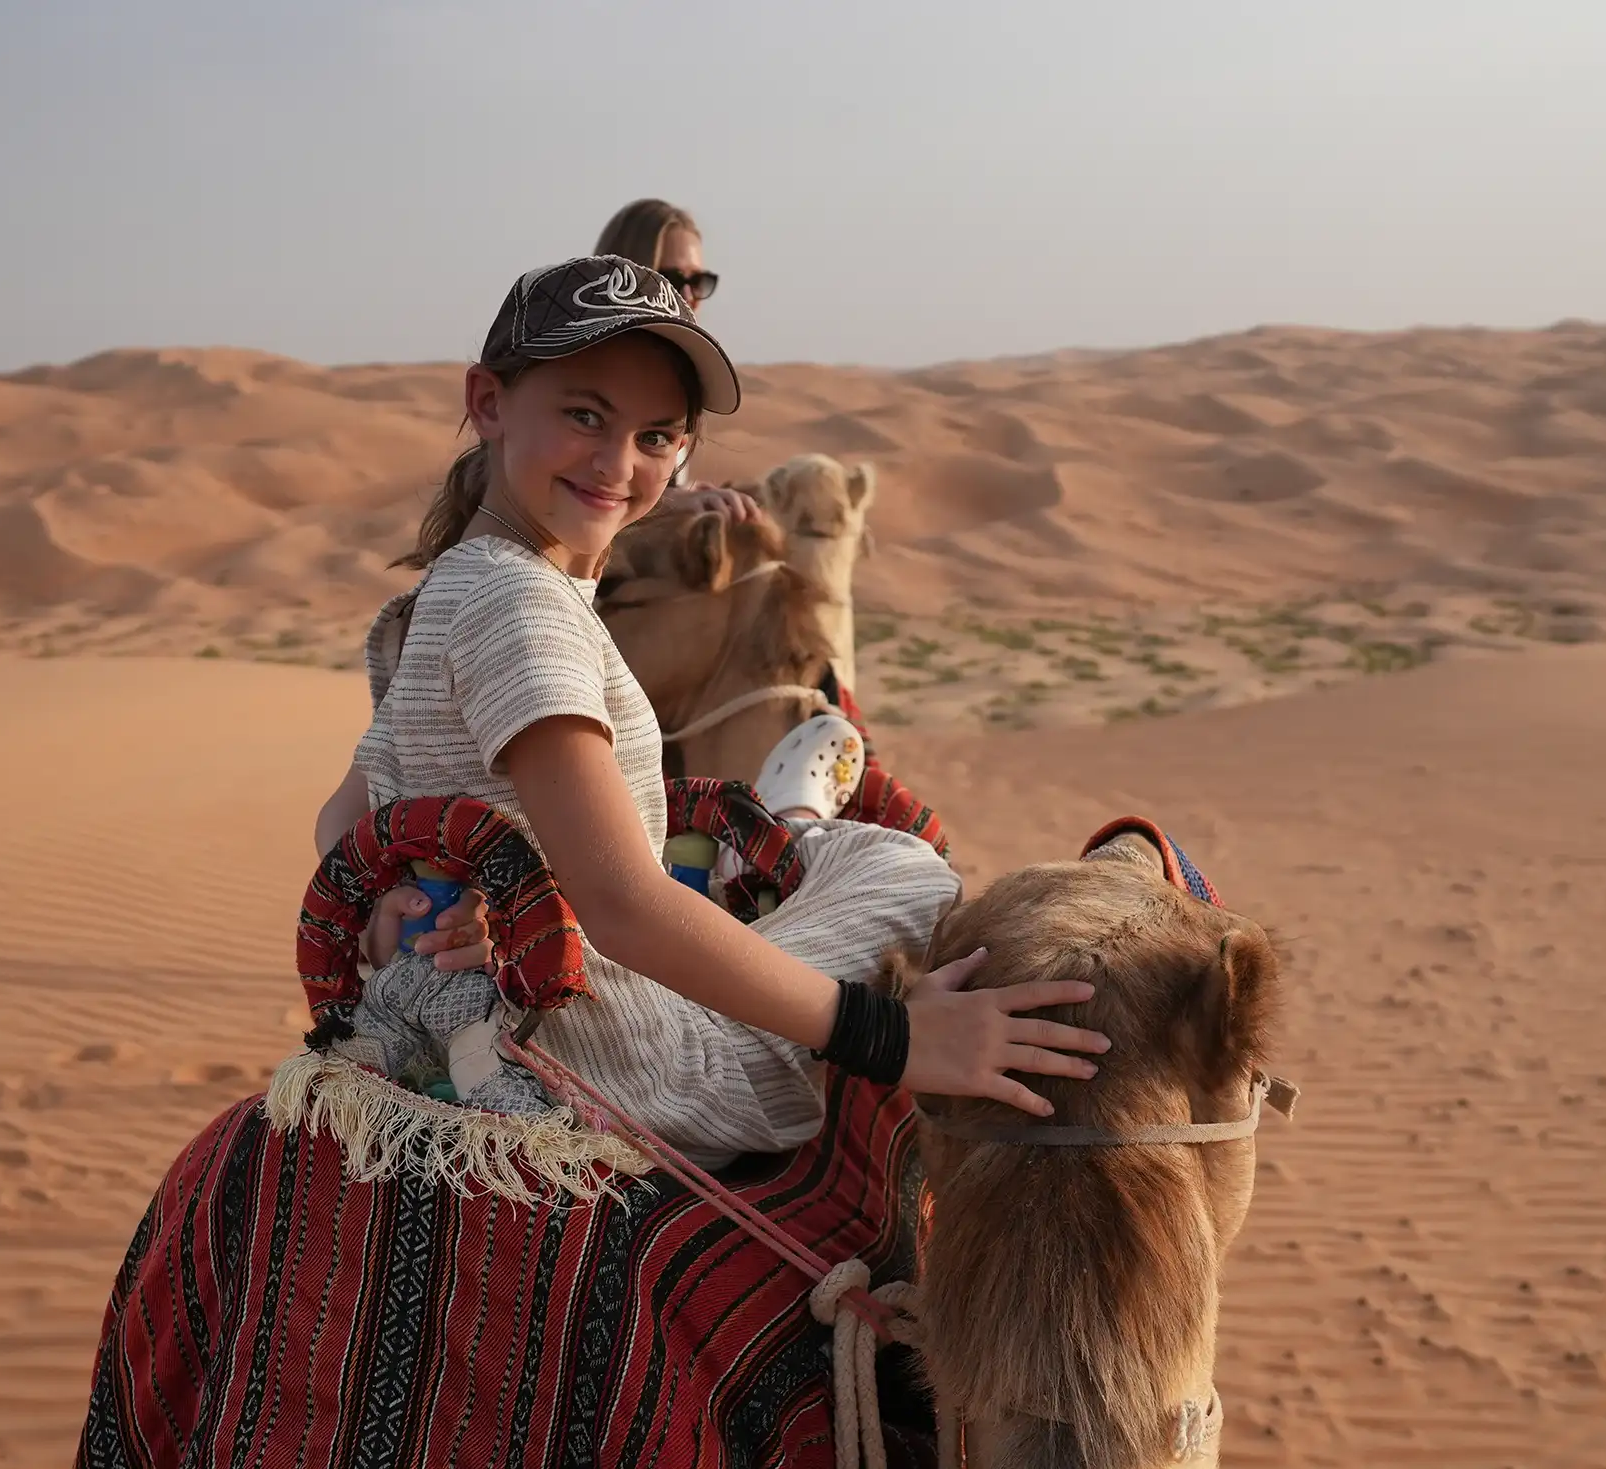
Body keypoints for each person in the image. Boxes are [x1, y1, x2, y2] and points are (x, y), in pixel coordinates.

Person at [310, 255, 1108, 1164]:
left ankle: (788, 824)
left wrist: (392, 911)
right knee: (904, 870)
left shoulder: (455, 584)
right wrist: (895, 1038)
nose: (620, 464)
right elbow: (623, 909)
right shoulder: (519, 605)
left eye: (657, 437)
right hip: (631, 1070)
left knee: (827, 855)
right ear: (488, 402)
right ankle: (794, 819)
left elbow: (343, 816)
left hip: (488, 1022)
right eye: (585, 416)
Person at [593, 198, 760, 525]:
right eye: (669, 278)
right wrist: (672, 503)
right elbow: (581, 495)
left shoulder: (672, 376)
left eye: (698, 282)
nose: (686, 295)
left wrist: (687, 494)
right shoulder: (579, 368)